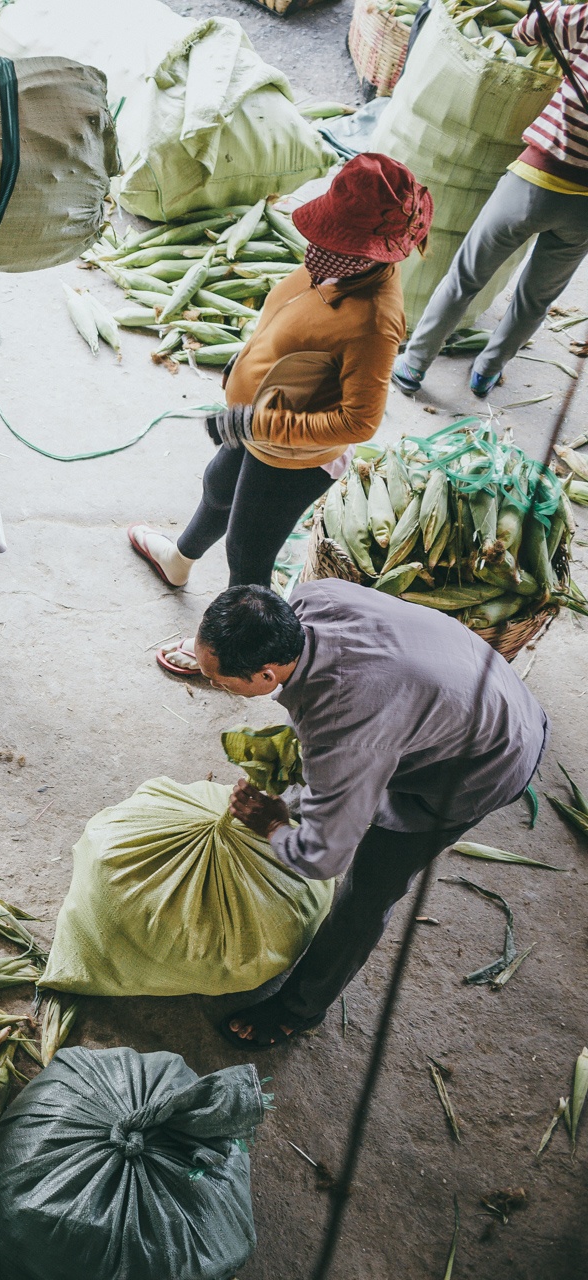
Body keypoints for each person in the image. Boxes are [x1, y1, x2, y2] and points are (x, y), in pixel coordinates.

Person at [189, 581, 548, 1049]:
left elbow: (324, 859)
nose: (213, 683)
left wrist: (274, 825)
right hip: (475, 687)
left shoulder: (344, 724)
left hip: (485, 760)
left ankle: (299, 1008)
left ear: (265, 676)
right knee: (332, 785)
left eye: (218, 678)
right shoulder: (310, 599)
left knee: (369, 890)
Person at [125, 154, 432, 676]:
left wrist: (256, 423)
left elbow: (360, 422)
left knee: (248, 558)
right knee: (219, 486)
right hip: (258, 425)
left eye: (336, 240)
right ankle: (179, 561)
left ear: (371, 251)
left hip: (296, 457)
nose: (319, 247)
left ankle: (226, 655)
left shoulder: (374, 320)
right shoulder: (334, 266)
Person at [392, 1, 588, 399]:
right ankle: (486, 372)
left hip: (534, 182)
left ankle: (413, 365)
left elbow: (528, 31)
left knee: (465, 277)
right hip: (585, 211)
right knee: (536, 299)